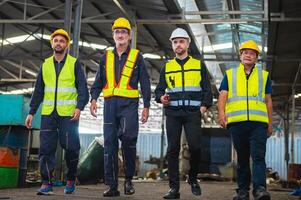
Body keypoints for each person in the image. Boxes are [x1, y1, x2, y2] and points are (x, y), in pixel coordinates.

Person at [90, 17, 151, 197]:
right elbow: (99, 80)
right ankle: (112, 185)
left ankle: (129, 180)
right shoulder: (105, 57)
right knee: (109, 145)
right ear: (113, 35)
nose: (120, 34)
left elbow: (145, 82)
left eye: (124, 31)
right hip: (109, 106)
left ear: (129, 35)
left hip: (129, 106)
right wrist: (93, 99)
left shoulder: (137, 56)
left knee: (129, 141)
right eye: (117, 31)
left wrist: (146, 105)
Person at [25, 29, 89, 195]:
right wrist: (31, 112)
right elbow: (38, 90)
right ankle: (46, 183)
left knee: (72, 148)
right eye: (56, 40)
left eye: (62, 41)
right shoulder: (45, 65)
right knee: (46, 149)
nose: (59, 43)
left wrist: (79, 107)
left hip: (69, 114)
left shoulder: (74, 63)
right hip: (48, 114)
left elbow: (83, 88)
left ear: (67, 45)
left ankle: (70, 178)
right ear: (52, 43)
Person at [155, 28, 212, 199]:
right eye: (175, 42)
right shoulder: (167, 67)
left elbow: (207, 90)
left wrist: (203, 107)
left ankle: (192, 178)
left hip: (192, 113)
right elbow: (158, 91)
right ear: (172, 45)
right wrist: (161, 98)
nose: (178, 44)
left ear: (188, 43)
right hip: (173, 113)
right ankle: (174, 189)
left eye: (181, 41)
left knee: (195, 147)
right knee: (173, 149)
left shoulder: (198, 65)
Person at [218, 40, 273, 200]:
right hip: (237, 123)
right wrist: (222, 114)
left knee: (258, 157)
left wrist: (270, 123)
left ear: (256, 57)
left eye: (252, 53)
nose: (248, 55)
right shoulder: (230, 74)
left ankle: (260, 189)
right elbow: (223, 95)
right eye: (245, 52)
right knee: (242, 159)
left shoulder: (264, 76)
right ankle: (242, 191)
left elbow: (268, 100)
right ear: (240, 56)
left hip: (258, 124)